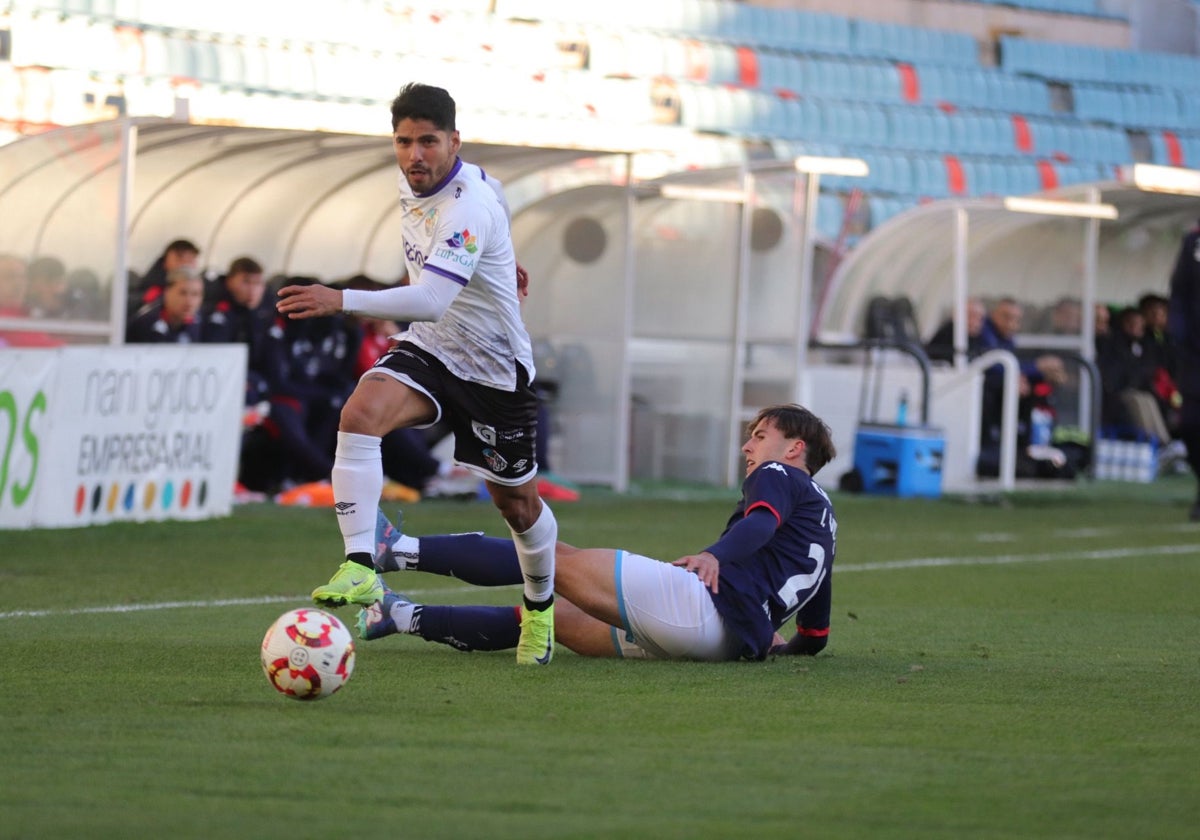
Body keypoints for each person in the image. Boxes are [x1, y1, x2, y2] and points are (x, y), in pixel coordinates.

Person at [275, 82, 557, 665]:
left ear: (454, 140)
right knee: (360, 413)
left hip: (493, 369)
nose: (414, 156)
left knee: (519, 509)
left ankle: (541, 607)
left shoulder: (468, 206)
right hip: (433, 348)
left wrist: (340, 298)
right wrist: (504, 256)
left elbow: (429, 297)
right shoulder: (433, 182)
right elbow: (494, 195)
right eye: (403, 142)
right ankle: (360, 568)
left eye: (428, 142)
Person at [356, 404, 837, 662]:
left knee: (548, 555)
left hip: (698, 606)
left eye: (759, 435)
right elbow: (814, 634)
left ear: (795, 449)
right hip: (728, 644)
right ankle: (399, 616)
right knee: (553, 620)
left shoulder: (779, 474)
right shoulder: (826, 521)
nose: (746, 445)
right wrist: (779, 644)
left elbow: (760, 523)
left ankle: (396, 549)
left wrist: (713, 555)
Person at [1167, 220, 1200, 520]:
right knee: (1189, 424)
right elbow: (1179, 290)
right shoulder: (1194, 242)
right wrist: (1176, 331)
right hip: (1194, 354)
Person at [125, 267, 205, 343]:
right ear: (167, 292)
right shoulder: (144, 324)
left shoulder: (199, 321)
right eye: (182, 293)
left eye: (195, 294)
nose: (189, 301)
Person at [133, 238, 200, 313]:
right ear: (166, 261)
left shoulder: (200, 285)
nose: (186, 265)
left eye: (191, 260)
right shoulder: (151, 290)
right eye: (180, 259)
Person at [925, 297, 985, 364]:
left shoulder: (975, 337)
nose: (976, 322)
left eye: (980, 317)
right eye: (972, 315)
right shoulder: (948, 335)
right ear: (957, 315)